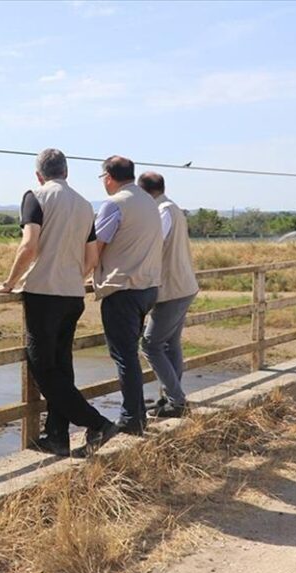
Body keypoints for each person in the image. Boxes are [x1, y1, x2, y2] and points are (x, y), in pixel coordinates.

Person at [0, 148, 118, 457]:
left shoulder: (35, 196)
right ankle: (57, 436)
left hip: (43, 294)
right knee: (62, 366)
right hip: (73, 295)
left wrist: (10, 283)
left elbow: (29, 245)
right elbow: (92, 257)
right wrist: (74, 275)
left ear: (39, 175)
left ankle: (98, 423)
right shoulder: (85, 205)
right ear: (66, 173)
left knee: (43, 368)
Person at [93, 156, 163, 435]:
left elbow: (96, 246)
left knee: (124, 356)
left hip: (123, 288)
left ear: (109, 176)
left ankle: (131, 417)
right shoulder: (148, 202)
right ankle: (138, 415)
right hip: (148, 287)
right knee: (130, 353)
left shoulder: (114, 203)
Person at [137, 172, 198, 418]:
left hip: (171, 288)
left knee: (150, 345)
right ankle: (171, 398)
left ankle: (176, 401)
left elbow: (153, 245)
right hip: (184, 286)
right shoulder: (173, 208)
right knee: (170, 344)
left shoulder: (161, 211)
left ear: (144, 193)